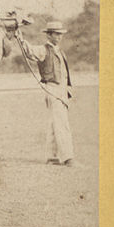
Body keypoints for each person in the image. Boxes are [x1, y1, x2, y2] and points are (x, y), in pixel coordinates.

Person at [15, 21, 79, 168]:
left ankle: (52, 156)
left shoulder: (59, 51)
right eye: (56, 34)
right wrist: (19, 36)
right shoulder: (44, 50)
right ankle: (68, 157)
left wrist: (67, 89)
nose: (59, 37)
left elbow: (63, 74)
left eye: (60, 34)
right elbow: (29, 50)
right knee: (62, 124)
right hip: (52, 89)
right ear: (48, 35)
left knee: (53, 123)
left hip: (61, 90)